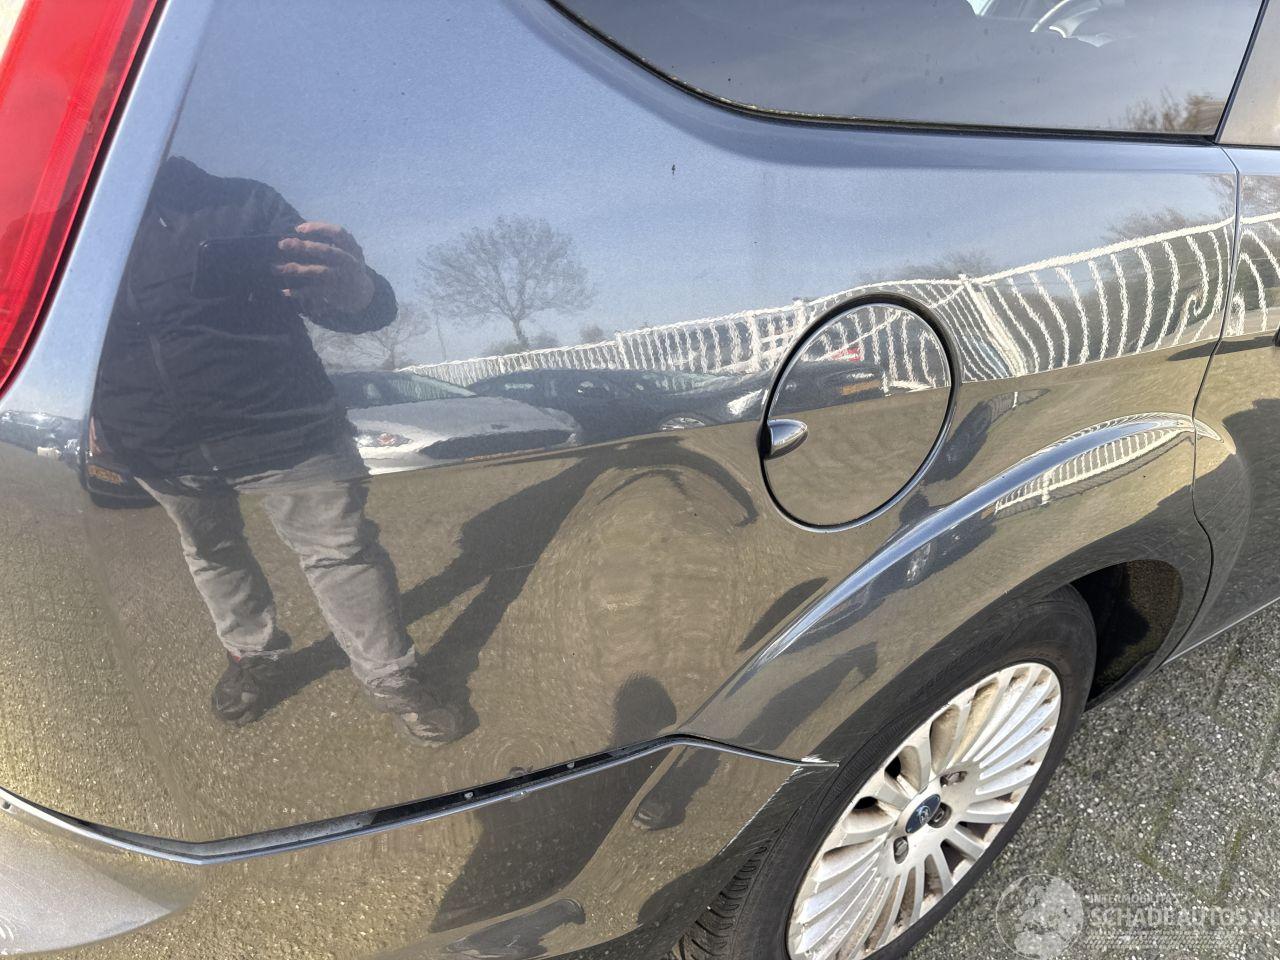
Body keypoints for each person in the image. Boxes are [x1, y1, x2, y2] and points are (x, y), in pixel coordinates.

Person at [93, 156, 461, 744]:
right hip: (156, 442)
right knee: (210, 550)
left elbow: (338, 301)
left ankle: (391, 676)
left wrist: (360, 291)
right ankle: (253, 655)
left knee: (341, 552)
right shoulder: (60, 237)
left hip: (286, 428)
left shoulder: (243, 203)